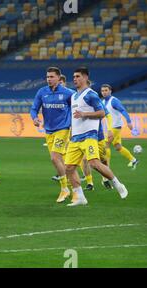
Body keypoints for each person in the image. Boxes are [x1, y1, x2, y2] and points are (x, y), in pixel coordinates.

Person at [65, 67, 128, 207]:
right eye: (74, 76)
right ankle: (80, 197)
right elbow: (74, 118)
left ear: (86, 78)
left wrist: (85, 114)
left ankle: (118, 184)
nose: (74, 79)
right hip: (75, 137)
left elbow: (101, 113)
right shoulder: (74, 96)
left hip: (89, 135)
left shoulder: (91, 94)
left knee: (94, 163)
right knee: (68, 168)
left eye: (78, 76)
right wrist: (71, 131)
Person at [30, 67, 75, 203]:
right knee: (60, 161)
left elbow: (77, 108)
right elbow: (34, 108)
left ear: (59, 78)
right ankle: (74, 188)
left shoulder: (68, 93)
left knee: (54, 158)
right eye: (47, 77)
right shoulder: (42, 92)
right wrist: (35, 118)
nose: (49, 79)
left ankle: (64, 188)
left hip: (63, 129)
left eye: (51, 77)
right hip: (48, 130)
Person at [101, 84, 139, 169]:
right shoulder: (103, 102)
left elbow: (123, 110)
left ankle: (107, 168)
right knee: (118, 147)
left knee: (106, 145)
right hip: (111, 127)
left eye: (106, 90)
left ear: (110, 91)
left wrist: (128, 121)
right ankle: (133, 160)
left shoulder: (114, 101)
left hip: (115, 127)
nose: (104, 92)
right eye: (102, 91)